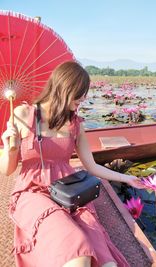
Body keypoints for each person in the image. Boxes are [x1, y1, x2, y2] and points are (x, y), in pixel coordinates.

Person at [0, 61, 144, 267]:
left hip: (70, 191)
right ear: (63, 87)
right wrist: (10, 148)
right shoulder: (23, 115)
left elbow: (92, 166)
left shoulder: (75, 123)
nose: (83, 99)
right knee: (78, 251)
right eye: (79, 92)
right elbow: (7, 170)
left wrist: (126, 178)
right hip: (32, 192)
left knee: (106, 262)